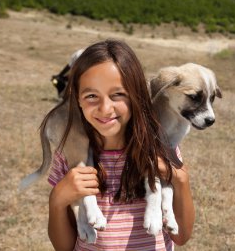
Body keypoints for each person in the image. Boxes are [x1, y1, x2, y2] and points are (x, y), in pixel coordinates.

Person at [46, 39, 195, 251]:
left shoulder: (160, 149)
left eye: (118, 94)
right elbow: (64, 247)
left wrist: (180, 179)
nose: (105, 108)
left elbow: (181, 237)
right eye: (91, 96)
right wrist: (58, 200)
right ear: (76, 98)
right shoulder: (68, 153)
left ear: (136, 95)